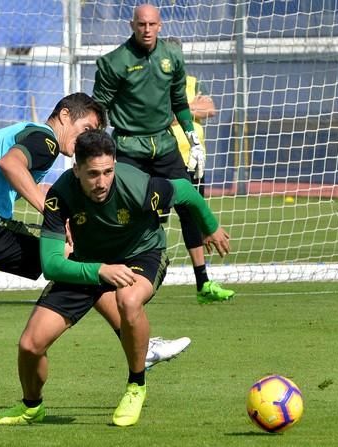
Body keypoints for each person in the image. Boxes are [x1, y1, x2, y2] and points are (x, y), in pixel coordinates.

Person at [0, 93, 190, 413]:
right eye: (86, 128)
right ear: (65, 115)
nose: (88, 139)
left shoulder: (2, 137)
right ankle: (141, 346)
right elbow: (11, 165)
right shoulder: (45, 139)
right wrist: (52, 214)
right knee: (73, 255)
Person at [0, 129, 231, 427]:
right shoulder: (59, 196)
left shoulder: (140, 187)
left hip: (143, 255)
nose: (101, 182)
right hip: (89, 263)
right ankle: (31, 407)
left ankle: (135, 385)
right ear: (75, 169)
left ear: (114, 164)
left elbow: (187, 192)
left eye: (107, 172)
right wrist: (99, 270)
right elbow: (51, 265)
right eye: (92, 174)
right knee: (30, 346)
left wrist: (211, 227)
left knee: (128, 300)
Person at [92, 3, 235, 305]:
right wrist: (97, 149)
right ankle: (111, 275)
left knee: (189, 206)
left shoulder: (172, 57)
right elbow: (98, 110)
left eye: (152, 24)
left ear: (160, 26)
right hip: (129, 147)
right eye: (141, 24)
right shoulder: (113, 62)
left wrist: (193, 138)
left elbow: (180, 103)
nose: (146, 30)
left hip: (165, 145)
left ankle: (203, 283)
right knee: (126, 212)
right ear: (132, 25)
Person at [163, 36, 217, 197]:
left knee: (195, 212)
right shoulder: (156, 84)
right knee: (159, 212)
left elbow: (210, 109)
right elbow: (165, 117)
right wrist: (193, 105)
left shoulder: (193, 82)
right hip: (164, 156)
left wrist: (180, 108)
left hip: (193, 156)